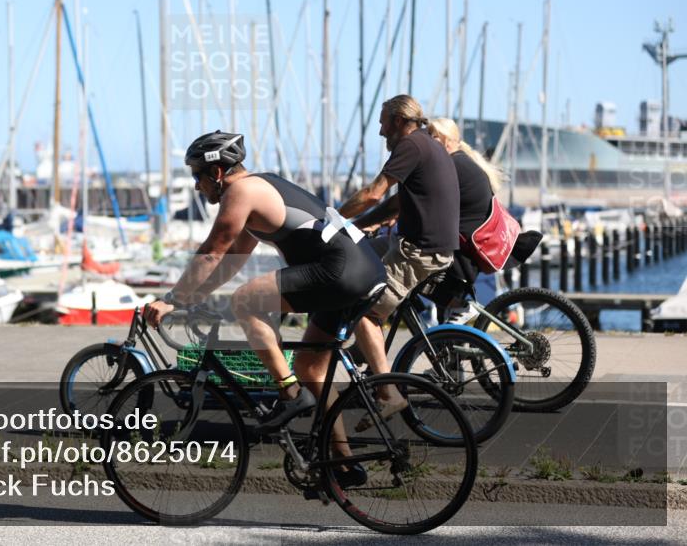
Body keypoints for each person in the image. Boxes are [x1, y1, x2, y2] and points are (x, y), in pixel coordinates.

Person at [143, 130, 386, 480]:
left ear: (217, 172)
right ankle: (344, 462)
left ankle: (289, 394)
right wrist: (191, 297)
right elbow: (232, 260)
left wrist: (171, 300)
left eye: (197, 175)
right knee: (312, 369)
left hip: (340, 270)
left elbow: (213, 251)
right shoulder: (258, 187)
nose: (197, 186)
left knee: (245, 301)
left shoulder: (241, 191)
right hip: (360, 268)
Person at [338, 95, 460, 418]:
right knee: (358, 257)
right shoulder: (427, 144)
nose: (380, 132)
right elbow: (393, 205)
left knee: (364, 312)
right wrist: (355, 228)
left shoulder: (410, 146)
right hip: (425, 246)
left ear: (397, 120)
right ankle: (365, 349)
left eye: (382, 123)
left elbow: (373, 193)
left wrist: (331, 220)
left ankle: (387, 392)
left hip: (419, 252)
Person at [426, 117, 540, 301]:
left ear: (446, 139)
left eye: (433, 136)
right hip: (473, 244)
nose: (428, 141)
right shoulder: (463, 160)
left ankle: (459, 306)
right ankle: (452, 313)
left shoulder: (453, 165)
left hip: (469, 248)